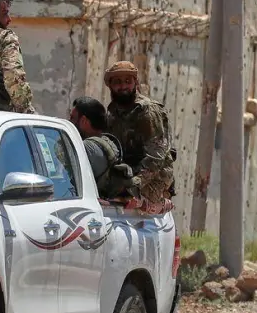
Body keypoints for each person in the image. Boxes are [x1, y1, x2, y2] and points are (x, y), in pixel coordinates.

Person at [104, 60, 176, 211]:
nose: (123, 87)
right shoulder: (113, 112)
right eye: (117, 82)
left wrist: (134, 183)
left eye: (127, 81)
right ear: (110, 85)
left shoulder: (146, 111)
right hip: (130, 174)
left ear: (135, 83)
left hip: (154, 178)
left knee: (119, 202)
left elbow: (156, 157)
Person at [68, 96, 136, 200]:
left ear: (84, 121)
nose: (69, 122)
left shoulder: (87, 147)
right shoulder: (109, 142)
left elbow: (66, 181)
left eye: (72, 118)